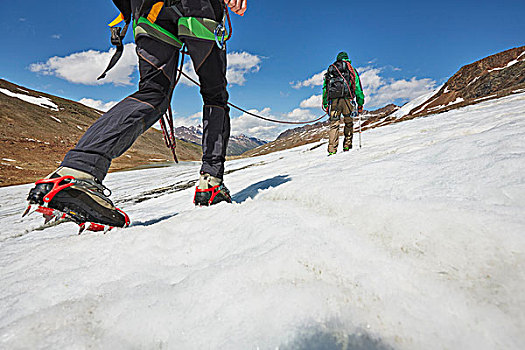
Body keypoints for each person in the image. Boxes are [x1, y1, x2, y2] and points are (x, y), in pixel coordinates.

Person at [24, 0, 247, 230]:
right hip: (197, 6)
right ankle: (210, 183)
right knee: (214, 96)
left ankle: (79, 168)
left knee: (153, 92)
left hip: (148, 10)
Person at [322, 51, 364, 155]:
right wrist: (360, 102)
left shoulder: (332, 70)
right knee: (348, 122)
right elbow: (358, 88)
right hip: (347, 100)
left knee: (334, 125)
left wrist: (325, 103)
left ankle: (332, 150)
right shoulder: (351, 70)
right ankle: (347, 146)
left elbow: (325, 89)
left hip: (334, 101)